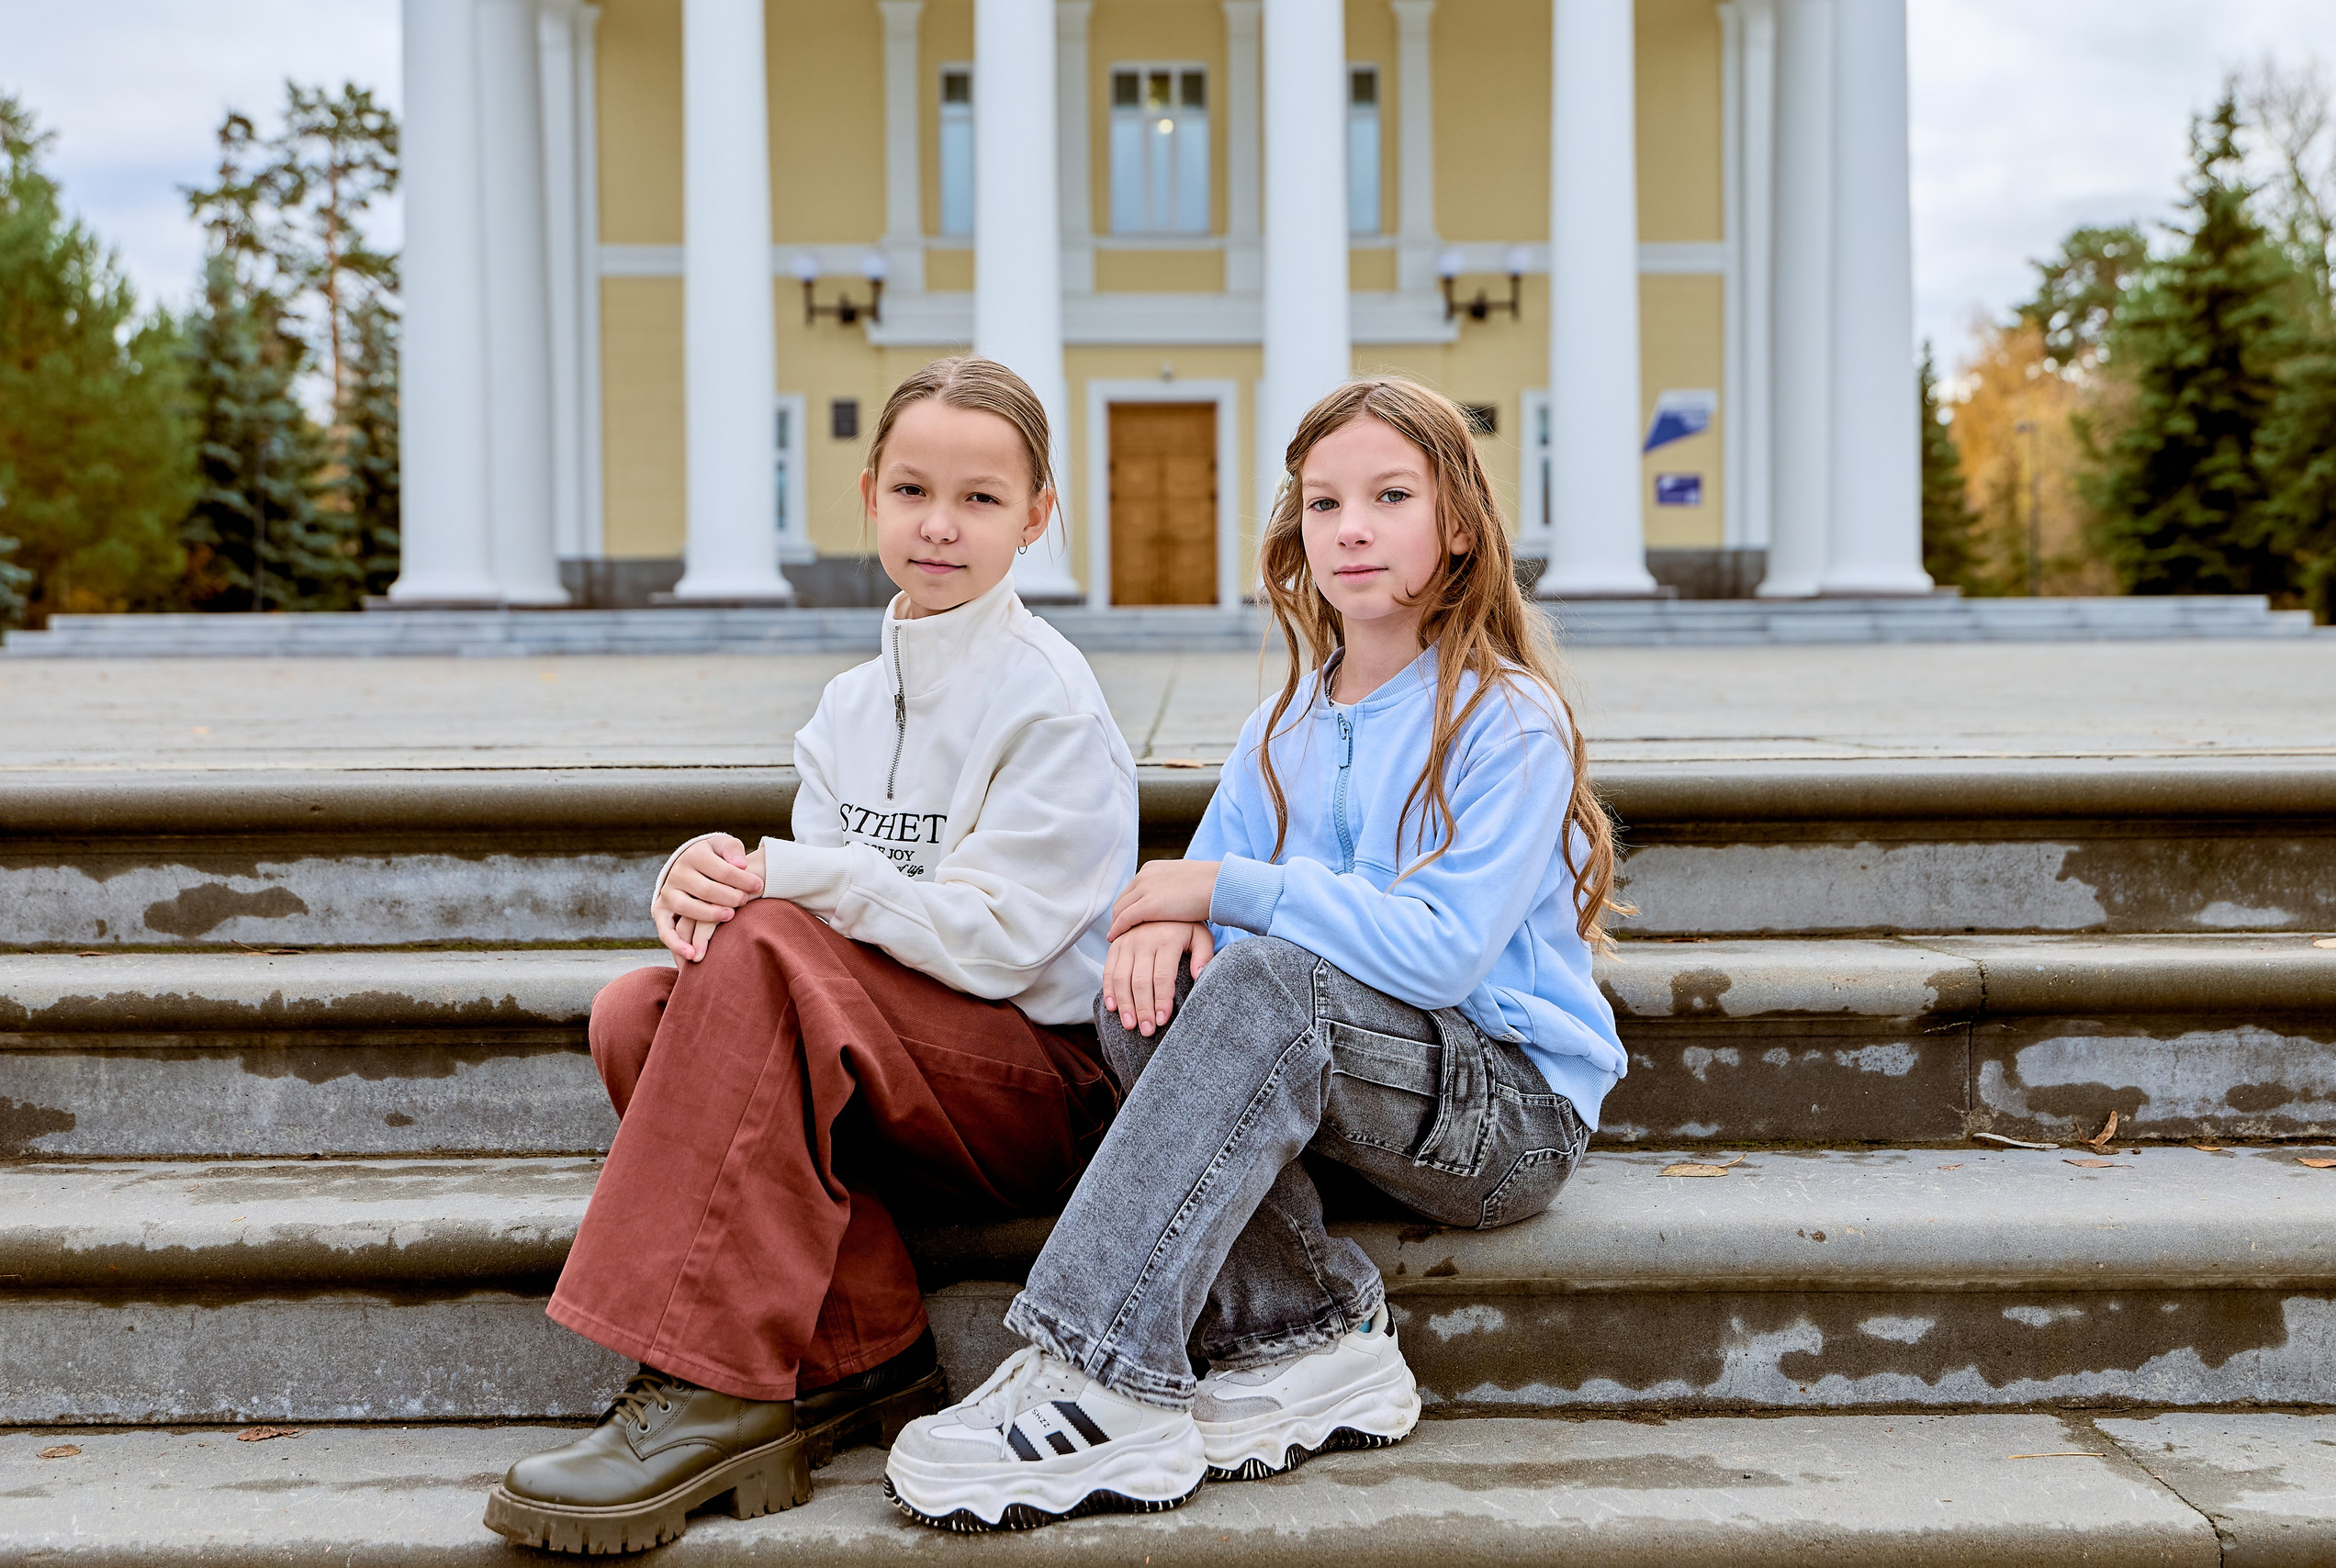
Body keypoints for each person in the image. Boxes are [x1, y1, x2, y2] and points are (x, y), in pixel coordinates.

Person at [882, 376, 1628, 1533]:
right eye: (1325, 503)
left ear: (1459, 527)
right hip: (1360, 1090)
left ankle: (1101, 1368)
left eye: (1390, 496)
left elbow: (1434, 958)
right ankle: (1309, 1334)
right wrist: (1176, 918)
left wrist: (1222, 889)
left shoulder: (1504, 717)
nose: (1353, 528)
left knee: (1263, 977)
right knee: (1144, 992)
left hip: (1504, 1111)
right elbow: (1208, 920)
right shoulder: (1281, 725)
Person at [484, 357, 1135, 1555]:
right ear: (870, 496)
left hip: (1036, 1094)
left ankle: (705, 1374)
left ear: (1038, 517)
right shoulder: (846, 706)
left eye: (983, 500)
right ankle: (864, 1348)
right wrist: (708, 886)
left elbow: (998, 945)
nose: (941, 524)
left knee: (769, 942)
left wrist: (795, 878)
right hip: (895, 1072)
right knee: (641, 1008)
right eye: (913, 490)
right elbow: (816, 925)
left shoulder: (1053, 705)